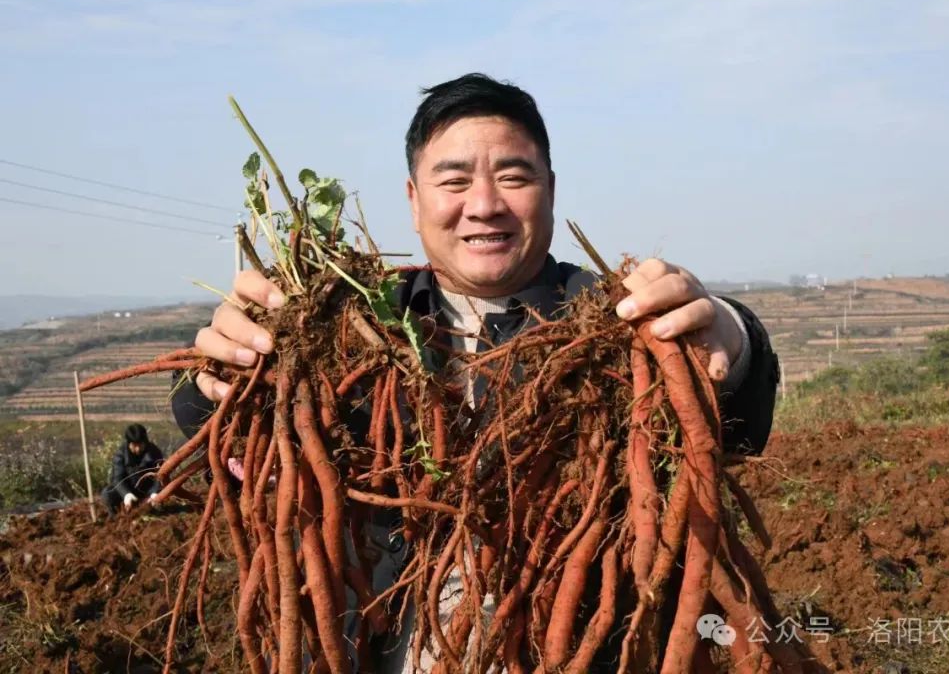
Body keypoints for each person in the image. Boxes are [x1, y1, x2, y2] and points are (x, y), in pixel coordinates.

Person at [171, 73, 780, 669]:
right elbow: (214, 424)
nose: (485, 205)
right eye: (454, 181)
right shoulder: (353, 321)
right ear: (414, 201)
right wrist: (221, 368)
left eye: (514, 177)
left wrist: (731, 332)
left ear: (550, 190)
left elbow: (742, 422)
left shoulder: (618, 320)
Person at [101, 423, 164, 516]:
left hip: (147, 491)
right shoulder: (120, 454)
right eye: (134, 445)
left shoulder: (154, 452)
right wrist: (126, 494)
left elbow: (160, 475)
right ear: (129, 443)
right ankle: (116, 518)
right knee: (107, 493)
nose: (138, 449)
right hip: (129, 490)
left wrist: (155, 493)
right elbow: (117, 478)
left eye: (140, 445)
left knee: (159, 500)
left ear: (145, 442)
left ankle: (157, 512)